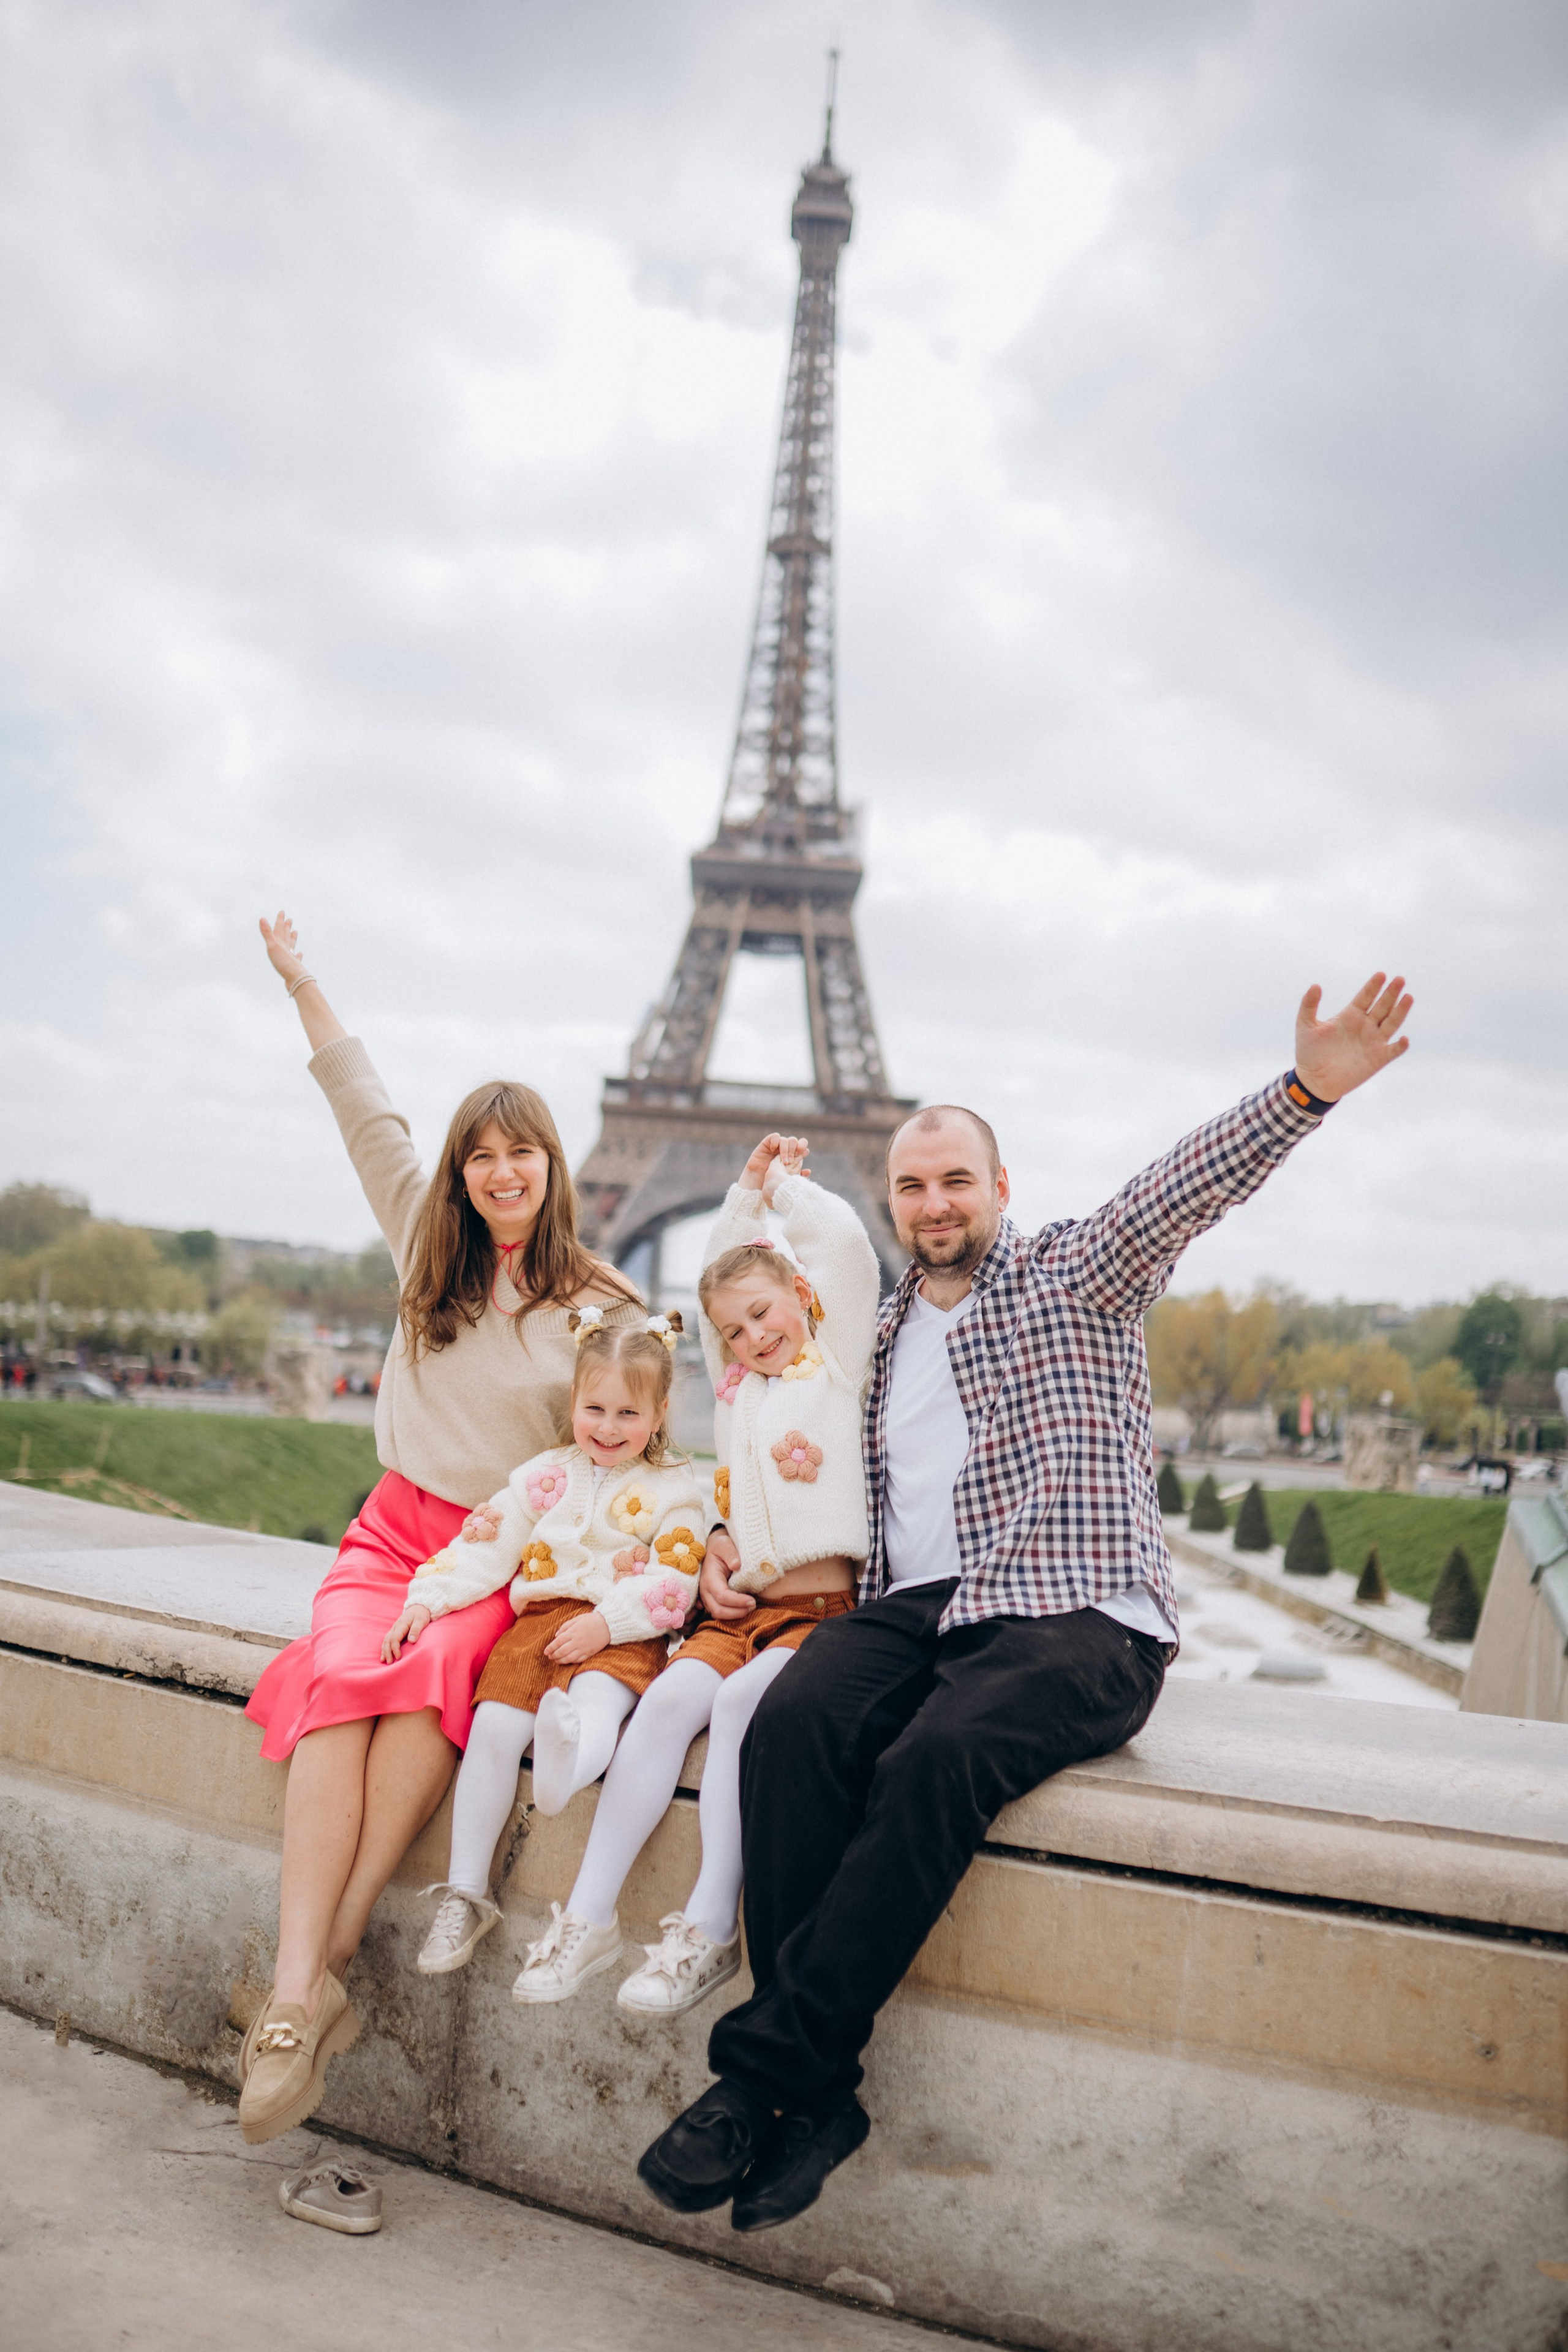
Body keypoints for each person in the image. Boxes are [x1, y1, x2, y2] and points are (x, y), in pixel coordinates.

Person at [638, 972, 1414, 2233]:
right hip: (928, 1609)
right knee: (788, 1729)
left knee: (935, 1757)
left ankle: (760, 2082)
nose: (933, 1203)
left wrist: (1303, 1090)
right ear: (888, 1206)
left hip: (1078, 1618)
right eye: (910, 1186)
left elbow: (1182, 1186)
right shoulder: (875, 1334)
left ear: (1000, 1191)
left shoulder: (1075, 1276)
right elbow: (788, 1451)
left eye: (956, 1180)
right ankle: (819, 2097)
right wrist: (730, 1531)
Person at [238, 911, 641, 2146]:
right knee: (337, 1684)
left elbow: (655, 1427)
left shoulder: (597, 1303)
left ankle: (310, 1979)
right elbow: (360, 1101)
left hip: (492, 1559)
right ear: (462, 1171)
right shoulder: (422, 1233)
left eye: (523, 1155)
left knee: (419, 1703)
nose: (501, 1173)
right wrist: (305, 983)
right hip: (387, 1535)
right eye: (483, 1155)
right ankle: (306, 1993)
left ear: (551, 1167)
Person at [508, 1131, 878, 2013]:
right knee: (670, 1703)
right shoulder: (738, 1389)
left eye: (766, 1313)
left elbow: (854, 1253)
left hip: (819, 1614)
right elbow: (722, 1280)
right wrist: (739, 1193)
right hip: (740, 1611)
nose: (752, 1335)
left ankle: (710, 1926)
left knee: (743, 1707)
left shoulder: (835, 1365)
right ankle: (590, 1920)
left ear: (802, 1296)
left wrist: (781, 1192)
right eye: (734, 1329)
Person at [398, 1308, 708, 1989]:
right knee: (493, 1728)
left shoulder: (677, 1489)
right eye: (593, 1408)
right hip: (536, 1626)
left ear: (657, 1415)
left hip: (620, 1632)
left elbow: (676, 1579)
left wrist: (611, 1622)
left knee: (596, 1701)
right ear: (572, 1404)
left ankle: (566, 1767)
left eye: (627, 1413)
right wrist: (428, 1597)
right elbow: (487, 1542)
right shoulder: (544, 1476)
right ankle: (464, 1893)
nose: (607, 1426)